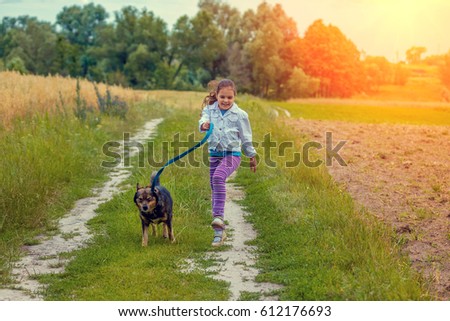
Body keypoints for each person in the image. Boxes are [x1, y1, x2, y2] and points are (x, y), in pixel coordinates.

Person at [198, 79, 257, 247]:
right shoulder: (209, 110)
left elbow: (246, 138)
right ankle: (219, 232)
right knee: (214, 187)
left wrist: (251, 156)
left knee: (218, 178)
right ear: (216, 95)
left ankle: (218, 218)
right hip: (214, 154)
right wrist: (204, 124)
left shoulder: (241, 115)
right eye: (222, 96)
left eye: (229, 97)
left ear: (234, 97)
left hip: (233, 154)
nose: (225, 100)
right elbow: (202, 122)